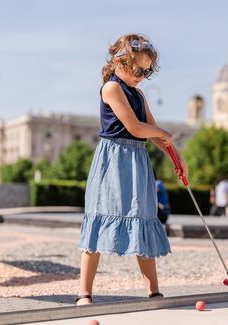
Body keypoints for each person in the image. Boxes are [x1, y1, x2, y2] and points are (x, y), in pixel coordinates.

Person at [76, 34, 188, 305]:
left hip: (137, 160)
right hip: (113, 160)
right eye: (138, 69)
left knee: (142, 218)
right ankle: (84, 293)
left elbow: (153, 135)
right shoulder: (111, 89)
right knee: (100, 218)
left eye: (147, 71)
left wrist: (177, 157)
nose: (142, 76)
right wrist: (162, 132)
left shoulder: (138, 94)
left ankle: (154, 292)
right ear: (118, 62)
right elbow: (136, 128)